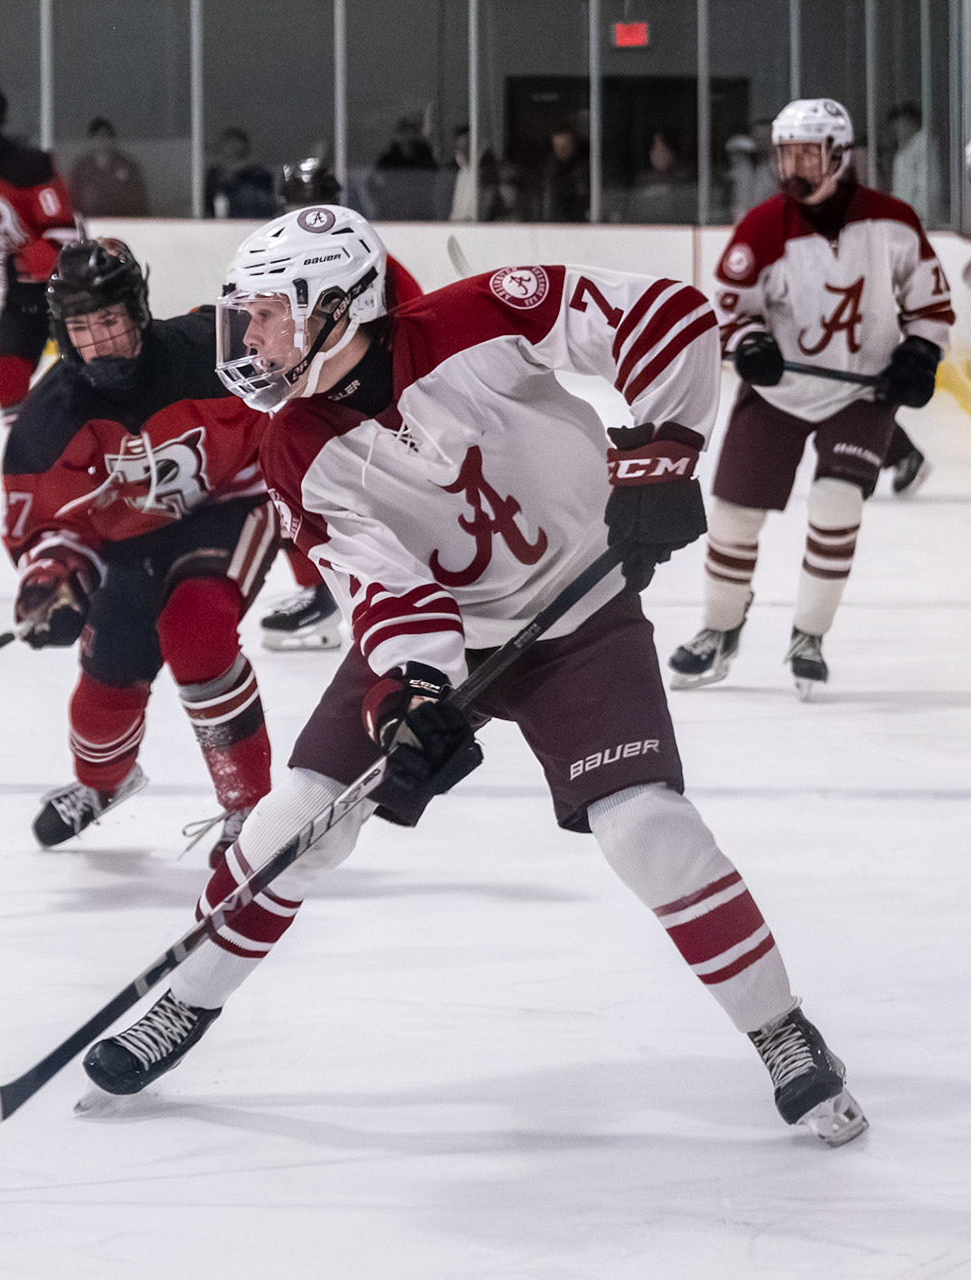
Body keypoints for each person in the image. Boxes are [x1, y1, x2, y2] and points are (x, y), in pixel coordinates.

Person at [80, 204, 868, 1149]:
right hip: (451, 625)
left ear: (335, 306)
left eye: (268, 315)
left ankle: (780, 1028)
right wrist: (408, 698)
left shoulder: (481, 314)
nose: (248, 339)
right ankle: (186, 1001)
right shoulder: (296, 448)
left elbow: (669, 317)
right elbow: (384, 586)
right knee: (298, 821)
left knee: (646, 828)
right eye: (244, 317)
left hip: (581, 613)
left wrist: (662, 452)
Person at [4, 239, 279, 866]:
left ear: (138, 310)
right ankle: (104, 784)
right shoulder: (51, 416)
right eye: (82, 328)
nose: (99, 342)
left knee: (197, 632)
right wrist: (53, 579)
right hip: (130, 538)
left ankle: (250, 808)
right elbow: (49, 523)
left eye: (109, 320)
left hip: (233, 502)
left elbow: (298, 349)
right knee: (104, 691)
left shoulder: (210, 346)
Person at [668, 99, 952, 696]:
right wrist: (749, 344)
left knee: (836, 505)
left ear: (839, 156)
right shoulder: (761, 227)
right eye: (786, 154)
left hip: (862, 391)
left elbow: (929, 303)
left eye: (807, 154)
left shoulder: (893, 221)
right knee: (734, 516)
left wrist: (921, 353)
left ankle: (808, 636)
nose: (792, 167)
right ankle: (720, 628)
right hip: (781, 392)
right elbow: (732, 310)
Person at [255, 210, 425, 653]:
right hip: (323, 389)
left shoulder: (362, 259)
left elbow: (407, 325)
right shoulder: (287, 260)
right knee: (297, 481)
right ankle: (325, 590)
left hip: (377, 397)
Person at [0, 81, 82, 427]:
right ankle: (31, 444)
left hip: (71, 290)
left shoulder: (29, 165)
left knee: (88, 374)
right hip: (23, 295)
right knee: (6, 377)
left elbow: (63, 236)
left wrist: (20, 262)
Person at [68, 118, 150, 218]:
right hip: (90, 223)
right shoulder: (81, 168)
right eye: (97, 137)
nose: (101, 141)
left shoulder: (128, 167)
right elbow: (73, 201)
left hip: (123, 223)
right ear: (91, 140)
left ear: (112, 140)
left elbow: (141, 203)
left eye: (105, 136)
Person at [204, 128, 280, 220]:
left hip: (253, 221)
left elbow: (266, 202)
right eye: (229, 143)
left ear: (245, 147)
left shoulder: (259, 174)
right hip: (222, 223)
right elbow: (208, 203)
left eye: (236, 143)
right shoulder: (215, 174)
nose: (233, 148)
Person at [448, 126, 479, 223]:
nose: (460, 153)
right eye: (459, 149)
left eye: (465, 148)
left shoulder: (478, 174)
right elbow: (456, 213)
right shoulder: (462, 174)